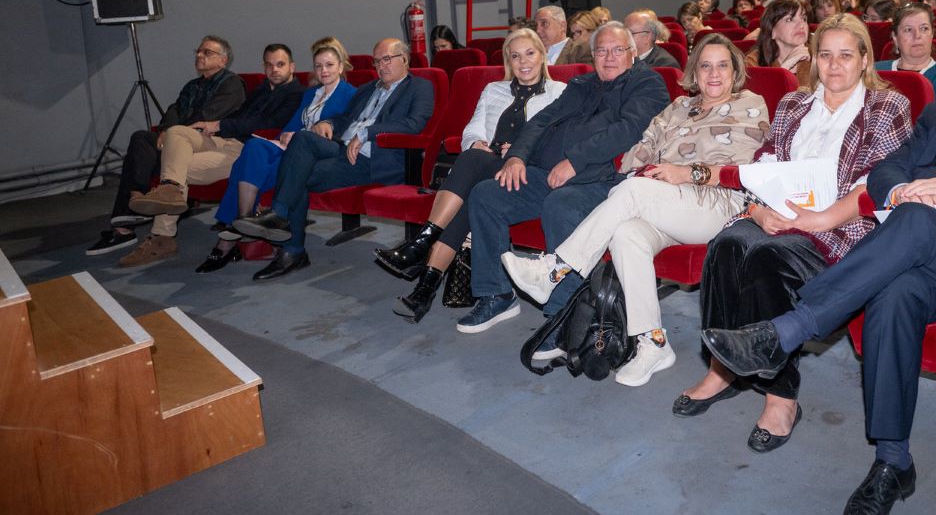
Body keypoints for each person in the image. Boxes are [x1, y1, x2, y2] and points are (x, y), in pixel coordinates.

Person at [701, 16, 936, 514]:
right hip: (925, 260)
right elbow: (886, 170)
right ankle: (892, 461)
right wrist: (903, 188)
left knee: (918, 219)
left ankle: (788, 329)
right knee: (893, 293)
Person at [677, 15, 912, 453]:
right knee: (727, 245)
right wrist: (758, 209)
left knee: (767, 259)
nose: (834, 65)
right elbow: (765, 163)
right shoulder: (794, 104)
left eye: (846, 55)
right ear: (814, 60)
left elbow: (879, 183)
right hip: (778, 214)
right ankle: (722, 368)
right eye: (825, 55)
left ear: (865, 59)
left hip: (840, 226)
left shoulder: (886, 106)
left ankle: (781, 396)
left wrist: (814, 220)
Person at [502, 34, 768, 384]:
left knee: (630, 190)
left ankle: (554, 270)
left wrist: (684, 172)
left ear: (735, 72)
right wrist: (651, 167)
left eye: (722, 66)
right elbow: (639, 150)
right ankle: (653, 342)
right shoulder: (679, 107)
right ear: (695, 72)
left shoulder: (750, 104)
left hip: (718, 203)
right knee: (626, 234)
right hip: (666, 200)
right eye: (705, 66)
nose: (714, 74)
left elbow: (740, 167)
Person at [457, 22, 670, 333]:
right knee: (486, 194)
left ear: (633, 53)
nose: (609, 57)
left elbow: (628, 129)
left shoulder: (648, 83)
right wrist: (517, 156)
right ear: (592, 55)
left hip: (603, 179)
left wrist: (574, 161)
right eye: (601, 51)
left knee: (561, 204)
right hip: (548, 173)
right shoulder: (582, 84)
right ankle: (496, 295)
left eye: (617, 50)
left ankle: (563, 316)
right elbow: (540, 121)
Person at [375, 28, 566, 321]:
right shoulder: (493, 90)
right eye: (515, 56)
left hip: (527, 174)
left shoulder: (559, 92)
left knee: (473, 162)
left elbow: (558, 142)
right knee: (473, 178)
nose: (523, 62)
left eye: (530, 53)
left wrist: (517, 152)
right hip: (487, 171)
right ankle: (424, 290)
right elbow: (472, 130)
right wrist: (475, 142)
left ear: (542, 56)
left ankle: (422, 245)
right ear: (508, 61)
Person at [234, 38, 435, 280]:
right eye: (376, 61)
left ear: (404, 59)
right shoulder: (367, 88)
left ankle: (291, 248)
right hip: (342, 148)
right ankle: (279, 218)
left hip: (374, 157)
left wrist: (367, 133)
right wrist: (328, 123)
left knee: (298, 174)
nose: (381, 66)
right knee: (303, 137)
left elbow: (414, 124)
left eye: (386, 59)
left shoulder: (420, 87)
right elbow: (346, 119)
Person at [116, 42, 305, 268]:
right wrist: (215, 127)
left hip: (246, 150)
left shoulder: (297, 94)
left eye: (280, 64)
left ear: (292, 67)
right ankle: (170, 191)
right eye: (269, 65)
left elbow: (268, 123)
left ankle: (162, 237)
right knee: (176, 132)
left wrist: (218, 124)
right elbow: (239, 115)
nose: (274, 70)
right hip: (224, 140)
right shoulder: (262, 89)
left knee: (177, 171)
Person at [197, 38, 357, 273]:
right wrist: (288, 134)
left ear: (341, 67)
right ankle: (245, 219)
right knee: (253, 147)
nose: (323, 70)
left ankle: (233, 231)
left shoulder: (350, 94)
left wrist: (305, 134)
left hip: (317, 152)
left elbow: (344, 128)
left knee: (247, 168)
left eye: (329, 65)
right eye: (318, 66)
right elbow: (290, 127)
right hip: (293, 146)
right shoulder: (311, 94)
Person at [87, 36, 247, 257]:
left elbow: (208, 115)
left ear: (223, 60)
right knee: (141, 139)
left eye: (207, 52)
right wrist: (165, 129)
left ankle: (148, 225)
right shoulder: (192, 85)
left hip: (210, 141)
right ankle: (133, 205)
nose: (199, 55)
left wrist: (175, 132)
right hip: (181, 137)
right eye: (198, 51)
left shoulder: (232, 83)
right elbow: (174, 109)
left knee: (167, 151)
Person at [875, 1, 936, 100]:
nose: (917, 36)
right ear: (895, 38)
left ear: (932, 34)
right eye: (908, 30)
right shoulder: (875, 71)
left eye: (924, 28)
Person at [745, 0, 811, 89]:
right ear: (772, 31)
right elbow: (760, 97)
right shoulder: (753, 62)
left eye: (804, 19)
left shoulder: (819, 57)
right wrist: (785, 68)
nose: (801, 25)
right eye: (789, 19)